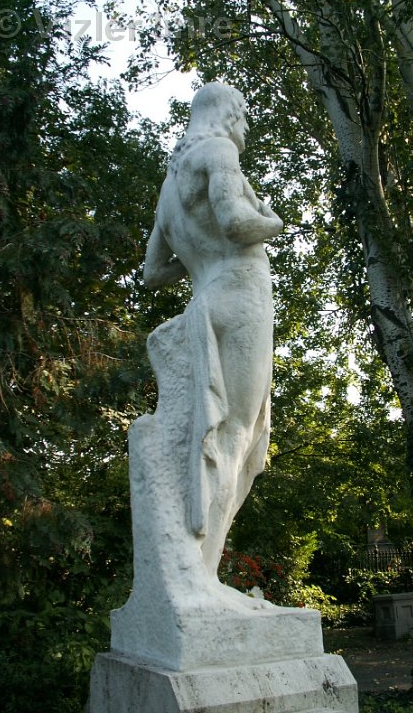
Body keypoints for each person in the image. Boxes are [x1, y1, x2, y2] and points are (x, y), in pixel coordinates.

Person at [143, 82, 283, 577]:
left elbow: (153, 272)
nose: (245, 128)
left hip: (205, 302)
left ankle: (195, 570)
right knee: (237, 436)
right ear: (228, 114)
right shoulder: (220, 151)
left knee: (219, 434)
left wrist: (199, 261)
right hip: (243, 295)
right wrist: (274, 221)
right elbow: (236, 223)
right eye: (243, 116)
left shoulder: (168, 190)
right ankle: (199, 575)